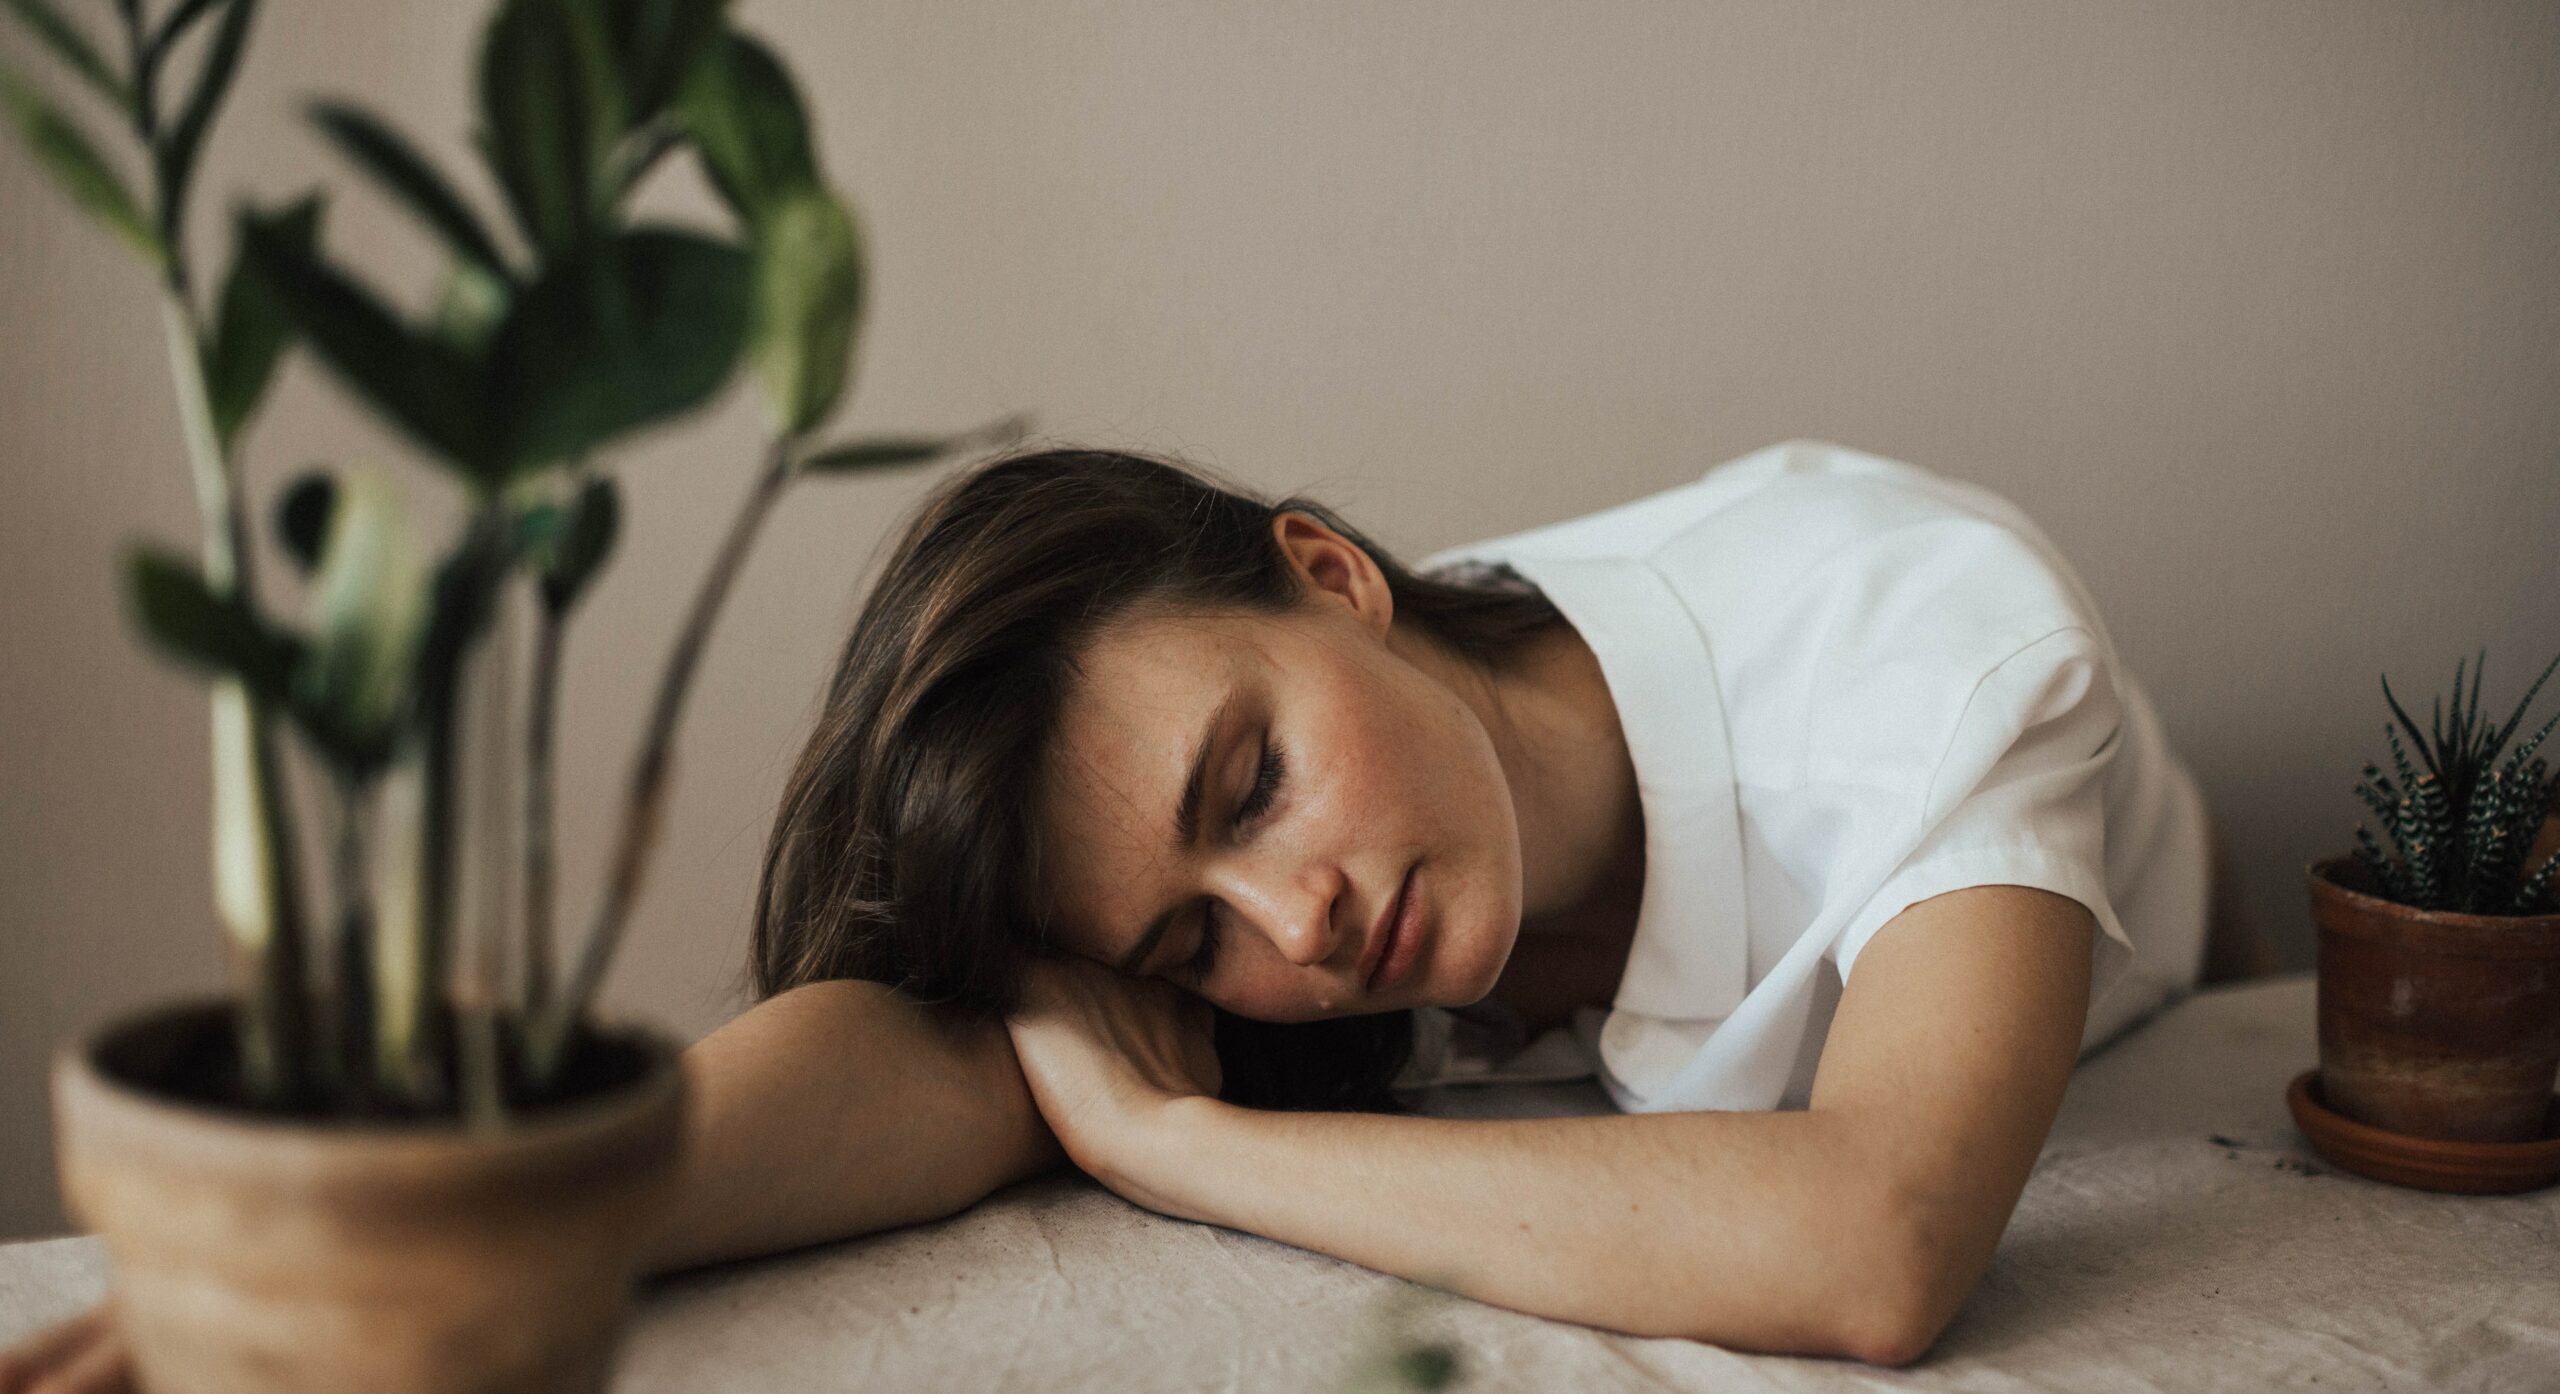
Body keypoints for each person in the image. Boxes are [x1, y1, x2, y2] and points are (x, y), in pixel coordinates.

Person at [1, 439, 2274, 1389]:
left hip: (2152, 947)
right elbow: (936, 1037)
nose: (1292, 924)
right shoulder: (1302, 852)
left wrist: (1183, 1142)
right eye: (1188, 947)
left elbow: (1871, 1243)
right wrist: (471, 1225)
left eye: (1248, 782)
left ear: (1325, 568)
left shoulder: (1924, 642)